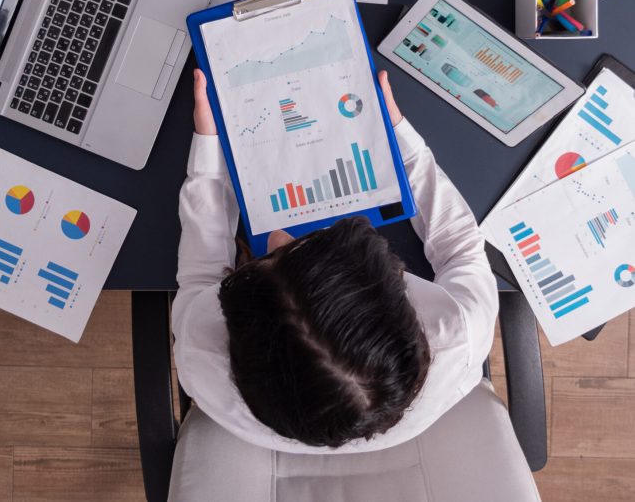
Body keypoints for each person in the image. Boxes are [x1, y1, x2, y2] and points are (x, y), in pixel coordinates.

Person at [173, 68, 499, 452]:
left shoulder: (203, 355)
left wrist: (209, 157)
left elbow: (200, 276)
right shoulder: (460, 332)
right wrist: (396, 136)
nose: (279, 234)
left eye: (268, 258)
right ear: (391, 285)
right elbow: (460, 245)